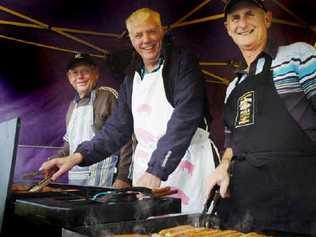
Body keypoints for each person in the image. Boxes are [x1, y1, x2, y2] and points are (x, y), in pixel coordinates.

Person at [40, 8, 218, 213]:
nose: (146, 40)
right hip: (148, 171)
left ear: (162, 31)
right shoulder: (131, 77)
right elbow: (117, 129)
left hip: (189, 166)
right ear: (131, 39)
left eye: (151, 31)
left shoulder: (183, 63)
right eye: (138, 35)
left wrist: (157, 170)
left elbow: (185, 117)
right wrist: (77, 156)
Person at [207, 0, 316, 234]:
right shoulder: (233, 87)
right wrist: (223, 166)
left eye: (250, 14)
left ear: (267, 19)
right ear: (227, 28)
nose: (242, 23)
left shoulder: (298, 56)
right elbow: (231, 143)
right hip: (245, 211)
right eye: (235, 18)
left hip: (299, 207)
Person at [53, 53, 132, 188]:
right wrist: (55, 160)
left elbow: (127, 137)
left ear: (96, 73)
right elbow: (69, 143)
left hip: (106, 180)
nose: (80, 76)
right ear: (69, 77)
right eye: (75, 73)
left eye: (85, 71)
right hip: (77, 182)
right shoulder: (72, 106)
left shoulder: (108, 96)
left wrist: (123, 177)